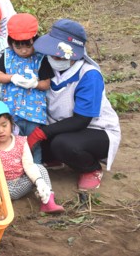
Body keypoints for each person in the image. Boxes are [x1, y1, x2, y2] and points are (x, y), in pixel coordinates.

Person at [27, 19, 121, 191]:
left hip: (95, 129)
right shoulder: (47, 65)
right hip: (61, 125)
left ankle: (91, 168)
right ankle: (56, 159)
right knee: (30, 141)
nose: (53, 58)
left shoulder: (89, 75)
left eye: (58, 55)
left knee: (63, 145)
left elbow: (81, 120)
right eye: (52, 54)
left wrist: (43, 132)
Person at [0, 101, 64, 214]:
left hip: (20, 183)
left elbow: (29, 165)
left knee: (39, 168)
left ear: (11, 124)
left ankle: (47, 200)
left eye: (4, 125)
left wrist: (39, 181)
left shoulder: (21, 142)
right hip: (2, 188)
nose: (1, 131)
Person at [0, 13, 53, 163]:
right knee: (13, 144)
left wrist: (35, 84)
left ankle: (36, 171)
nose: (24, 51)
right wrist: (12, 77)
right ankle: (15, 171)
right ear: (11, 43)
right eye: (18, 46)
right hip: (12, 111)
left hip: (34, 113)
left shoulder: (40, 58)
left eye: (28, 46)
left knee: (33, 144)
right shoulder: (7, 56)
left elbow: (46, 84)